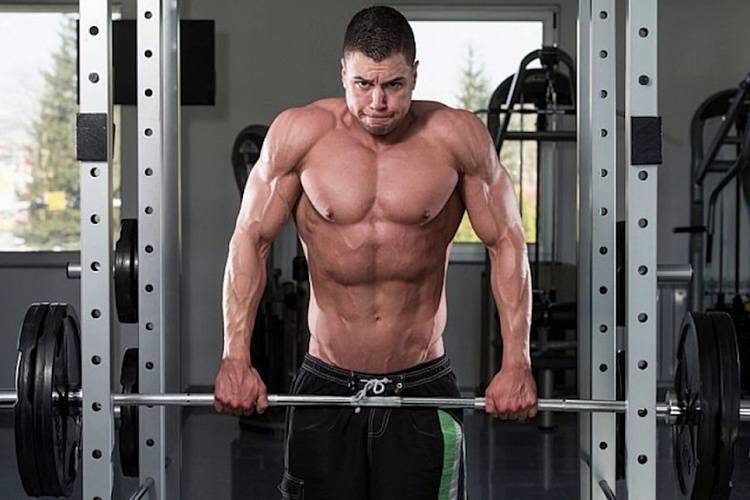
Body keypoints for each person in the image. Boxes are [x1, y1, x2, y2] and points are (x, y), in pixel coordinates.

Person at [214, 5, 537, 499]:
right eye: (363, 84)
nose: (378, 102)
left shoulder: (457, 137)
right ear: (343, 72)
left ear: (416, 74)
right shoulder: (300, 135)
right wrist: (235, 356)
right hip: (326, 383)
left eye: (394, 85)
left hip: (421, 384)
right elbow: (249, 240)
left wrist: (517, 361)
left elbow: (507, 242)